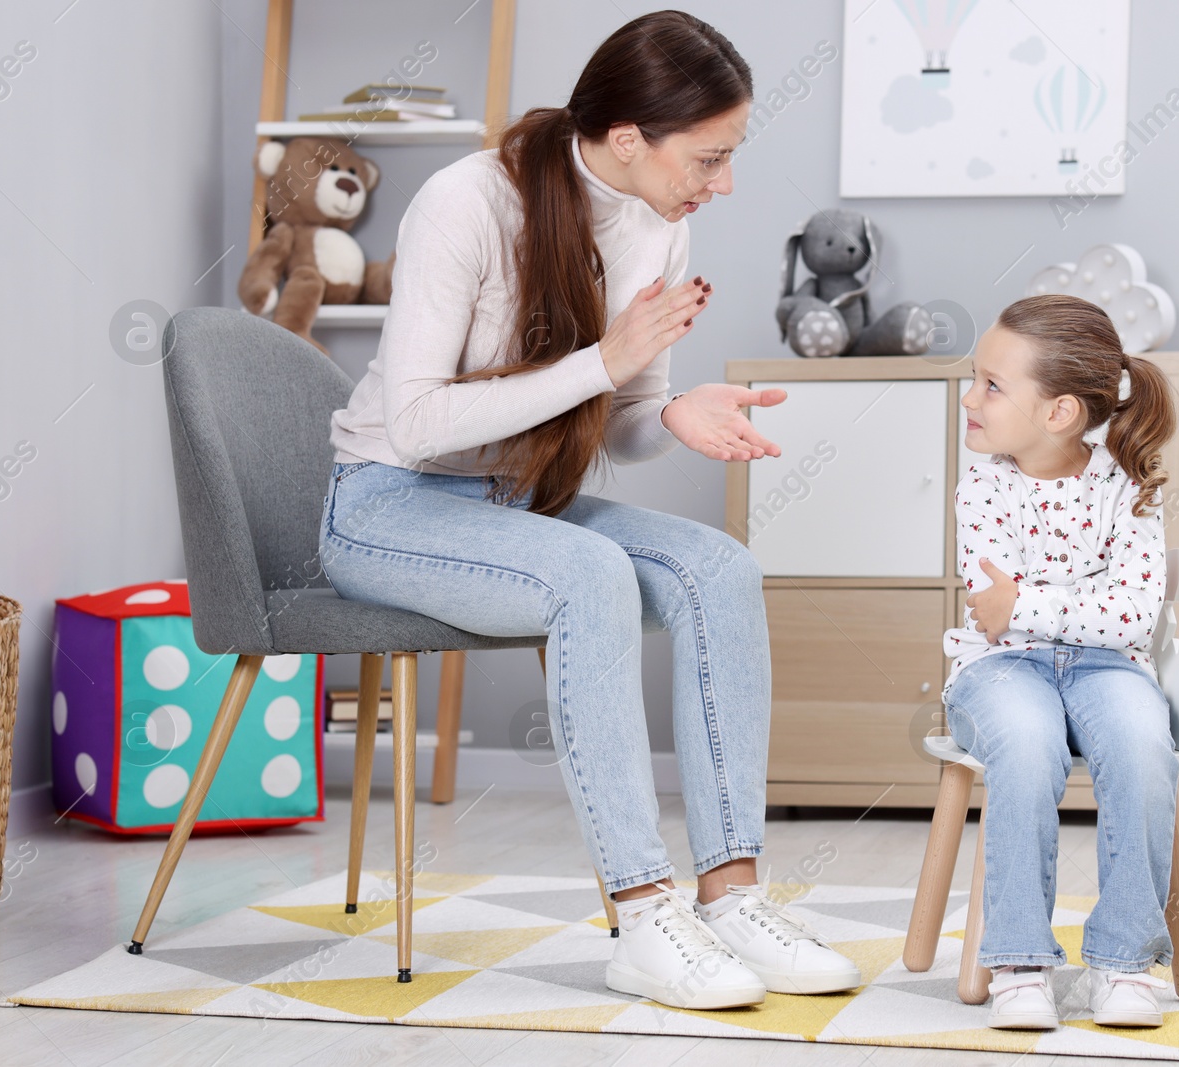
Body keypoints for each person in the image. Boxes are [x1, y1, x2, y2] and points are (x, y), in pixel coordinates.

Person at [318, 11, 859, 1010]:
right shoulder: (466, 204)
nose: (723, 181)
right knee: (590, 573)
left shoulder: (659, 219)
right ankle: (644, 916)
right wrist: (605, 365)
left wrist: (673, 411)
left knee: (721, 568)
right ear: (626, 138)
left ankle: (732, 895)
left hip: (518, 503)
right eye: (709, 156)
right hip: (389, 505)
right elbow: (423, 422)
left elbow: (621, 420)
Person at [941, 293, 1179, 1030]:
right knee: (1026, 740)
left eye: (991, 385)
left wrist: (1029, 603)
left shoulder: (1128, 485)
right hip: (999, 669)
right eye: (975, 378)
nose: (969, 398)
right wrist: (1059, 605)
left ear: (1060, 413)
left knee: (1144, 742)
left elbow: (1134, 613)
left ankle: (1123, 959)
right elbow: (991, 613)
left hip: (1110, 668)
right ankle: (1017, 960)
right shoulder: (982, 487)